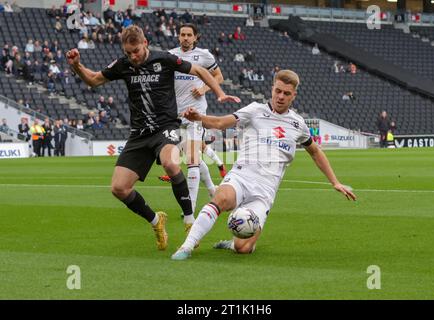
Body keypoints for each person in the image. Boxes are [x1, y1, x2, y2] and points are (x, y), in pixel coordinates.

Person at [66, 25, 240, 251]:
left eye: (136, 51)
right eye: (128, 53)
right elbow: (93, 80)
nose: (133, 56)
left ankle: (189, 222)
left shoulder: (165, 59)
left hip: (165, 127)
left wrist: (219, 93)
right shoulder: (123, 65)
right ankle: (156, 222)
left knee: (170, 162)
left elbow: (200, 71)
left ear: (145, 43)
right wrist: (77, 66)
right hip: (139, 134)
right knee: (119, 188)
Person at [171, 69, 356, 260]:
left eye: (286, 93)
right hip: (241, 177)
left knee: (243, 248)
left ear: (294, 95)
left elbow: (315, 151)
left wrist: (335, 182)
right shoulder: (255, 110)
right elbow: (220, 123)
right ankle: (187, 246)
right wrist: (200, 118)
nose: (281, 96)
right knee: (221, 198)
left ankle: (233, 243)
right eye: (278, 91)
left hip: (265, 192)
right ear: (272, 89)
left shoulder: (298, 124)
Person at [158, 23, 228, 215]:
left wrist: (204, 89)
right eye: (182, 34)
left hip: (196, 113)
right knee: (193, 158)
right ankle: (213, 189)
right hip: (176, 114)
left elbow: (219, 76)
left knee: (191, 159)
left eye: (189, 35)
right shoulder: (170, 55)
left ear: (196, 37)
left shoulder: (204, 55)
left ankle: (190, 207)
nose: (186, 38)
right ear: (178, 36)